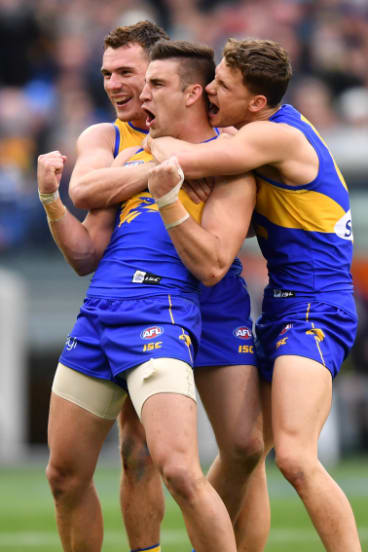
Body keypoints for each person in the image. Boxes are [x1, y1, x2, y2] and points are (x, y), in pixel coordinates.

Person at [42, 23, 270, 552]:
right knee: (134, 449)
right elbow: (85, 193)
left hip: (199, 300)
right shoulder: (112, 138)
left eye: (132, 74)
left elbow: (241, 179)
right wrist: (160, 173)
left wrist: (182, 168)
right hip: (122, 298)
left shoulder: (223, 137)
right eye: (107, 74)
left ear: (171, 79)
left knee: (240, 449)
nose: (120, 88)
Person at [147, 38, 362, 550]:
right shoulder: (260, 133)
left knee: (293, 457)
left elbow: (187, 156)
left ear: (258, 103)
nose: (211, 91)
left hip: (317, 307)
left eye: (222, 85)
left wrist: (156, 144)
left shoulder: (275, 137)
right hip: (284, 305)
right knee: (245, 453)